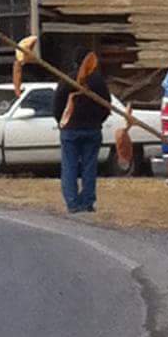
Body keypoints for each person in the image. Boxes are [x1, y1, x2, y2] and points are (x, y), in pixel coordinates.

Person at [53, 47, 110, 214]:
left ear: (75, 62)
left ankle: (72, 203)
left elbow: (57, 105)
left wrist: (62, 122)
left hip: (70, 129)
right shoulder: (98, 81)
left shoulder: (67, 80)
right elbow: (106, 105)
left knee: (69, 167)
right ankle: (87, 202)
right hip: (92, 129)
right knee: (89, 167)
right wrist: (98, 121)